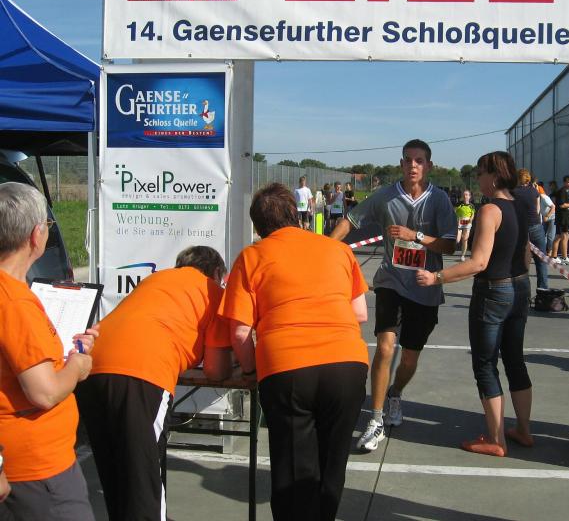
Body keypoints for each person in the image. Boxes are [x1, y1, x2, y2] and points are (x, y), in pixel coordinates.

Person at [220, 183, 369, 521]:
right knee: (331, 466)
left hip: (286, 366)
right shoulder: (336, 249)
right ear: (296, 214)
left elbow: (240, 331)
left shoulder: (252, 256)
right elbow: (359, 313)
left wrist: (250, 372)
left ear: (258, 226)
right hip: (346, 363)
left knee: (291, 468)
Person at [75, 246, 230, 521]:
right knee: (143, 481)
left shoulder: (155, 280)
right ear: (217, 272)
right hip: (141, 373)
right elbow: (216, 370)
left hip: (91, 368)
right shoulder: (213, 291)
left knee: (116, 477)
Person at [330, 139, 457, 451]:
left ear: (429, 166)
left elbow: (450, 245)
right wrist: (327, 248)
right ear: (401, 164)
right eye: (408, 160)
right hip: (391, 281)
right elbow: (350, 221)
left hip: (425, 286)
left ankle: (395, 393)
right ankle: (375, 420)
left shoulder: (439, 200)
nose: (413, 165)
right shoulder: (385, 196)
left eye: (419, 160)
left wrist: (416, 236)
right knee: (385, 348)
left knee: (410, 357)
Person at [417, 152, 532, 456]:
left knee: (485, 364)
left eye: (481, 173)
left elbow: (478, 262)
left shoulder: (490, 210)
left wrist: (436, 277)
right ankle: (523, 429)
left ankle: (496, 439)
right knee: (515, 359)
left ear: (494, 176)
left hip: (494, 291)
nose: (478, 178)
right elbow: (527, 252)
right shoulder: (523, 204)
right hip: (520, 286)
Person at [0, 182, 97, 520]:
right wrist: (77, 366)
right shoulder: (14, 302)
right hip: (36, 470)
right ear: (35, 235)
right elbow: (44, 392)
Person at [514, 169, 548, 289]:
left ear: (518, 179)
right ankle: (543, 291)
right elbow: (538, 210)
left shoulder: (514, 192)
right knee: (541, 261)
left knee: (522, 261)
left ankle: (523, 291)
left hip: (522, 228)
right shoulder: (534, 191)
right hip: (536, 226)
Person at [551, 175, 569, 265]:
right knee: (565, 236)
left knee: (558, 236)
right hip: (563, 218)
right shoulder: (563, 192)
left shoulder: (563, 192)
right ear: (564, 182)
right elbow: (562, 205)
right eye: (568, 182)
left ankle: (554, 257)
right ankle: (564, 258)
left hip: (561, 217)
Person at [455, 189, 476, 261]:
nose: (465, 196)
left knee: (465, 239)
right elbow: (454, 212)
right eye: (464, 195)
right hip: (460, 222)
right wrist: (458, 219)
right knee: (457, 240)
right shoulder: (459, 204)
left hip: (467, 223)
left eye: (466, 195)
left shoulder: (472, 206)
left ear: (469, 196)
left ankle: (462, 256)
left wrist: (470, 219)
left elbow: (472, 215)